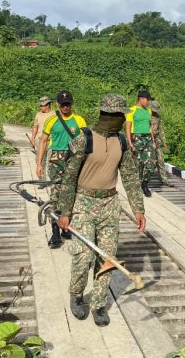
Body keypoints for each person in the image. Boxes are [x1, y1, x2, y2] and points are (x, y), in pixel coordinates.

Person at [56, 93, 146, 327]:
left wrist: (138, 209)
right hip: (83, 203)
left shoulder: (122, 142)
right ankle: (76, 295)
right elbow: (68, 178)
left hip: (110, 204)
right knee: (83, 256)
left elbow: (130, 176)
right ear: (107, 115)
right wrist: (64, 211)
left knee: (107, 258)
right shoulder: (84, 139)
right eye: (117, 115)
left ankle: (98, 304)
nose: (120, 120)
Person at [36, 89, 86, 247]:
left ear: (72, 104)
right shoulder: (51, 120)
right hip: (56, 163)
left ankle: (66, 226)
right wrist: (39, 164)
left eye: (68, 104)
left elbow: (86, 142)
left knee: (72, 195)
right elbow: (43, 142)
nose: (65, 107)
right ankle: (55, 230)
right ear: (58, 104)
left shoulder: (79, 120)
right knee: (56, 196)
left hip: (74, 161)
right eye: (63, 104)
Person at [125, 90, 157, 197]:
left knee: (151, 163)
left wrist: (153, 141)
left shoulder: (148, 111)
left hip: (147, 138)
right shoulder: (131, 110)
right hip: (136, 137)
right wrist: (130, 142)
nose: (148, 102)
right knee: (138, 163)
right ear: (141, 99)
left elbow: (150, 127)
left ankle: (145, 183)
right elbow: (128, 127)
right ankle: (137, 186)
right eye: (147, 100)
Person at [150, 100, 172, 186]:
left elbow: (161, 129)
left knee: (160, 160)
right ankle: (143, 180)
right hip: (147, 140)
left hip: (156, 140)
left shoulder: (158, 117)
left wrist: (164, 141)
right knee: (149, 162)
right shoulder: (146, 116)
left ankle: (164, 179)